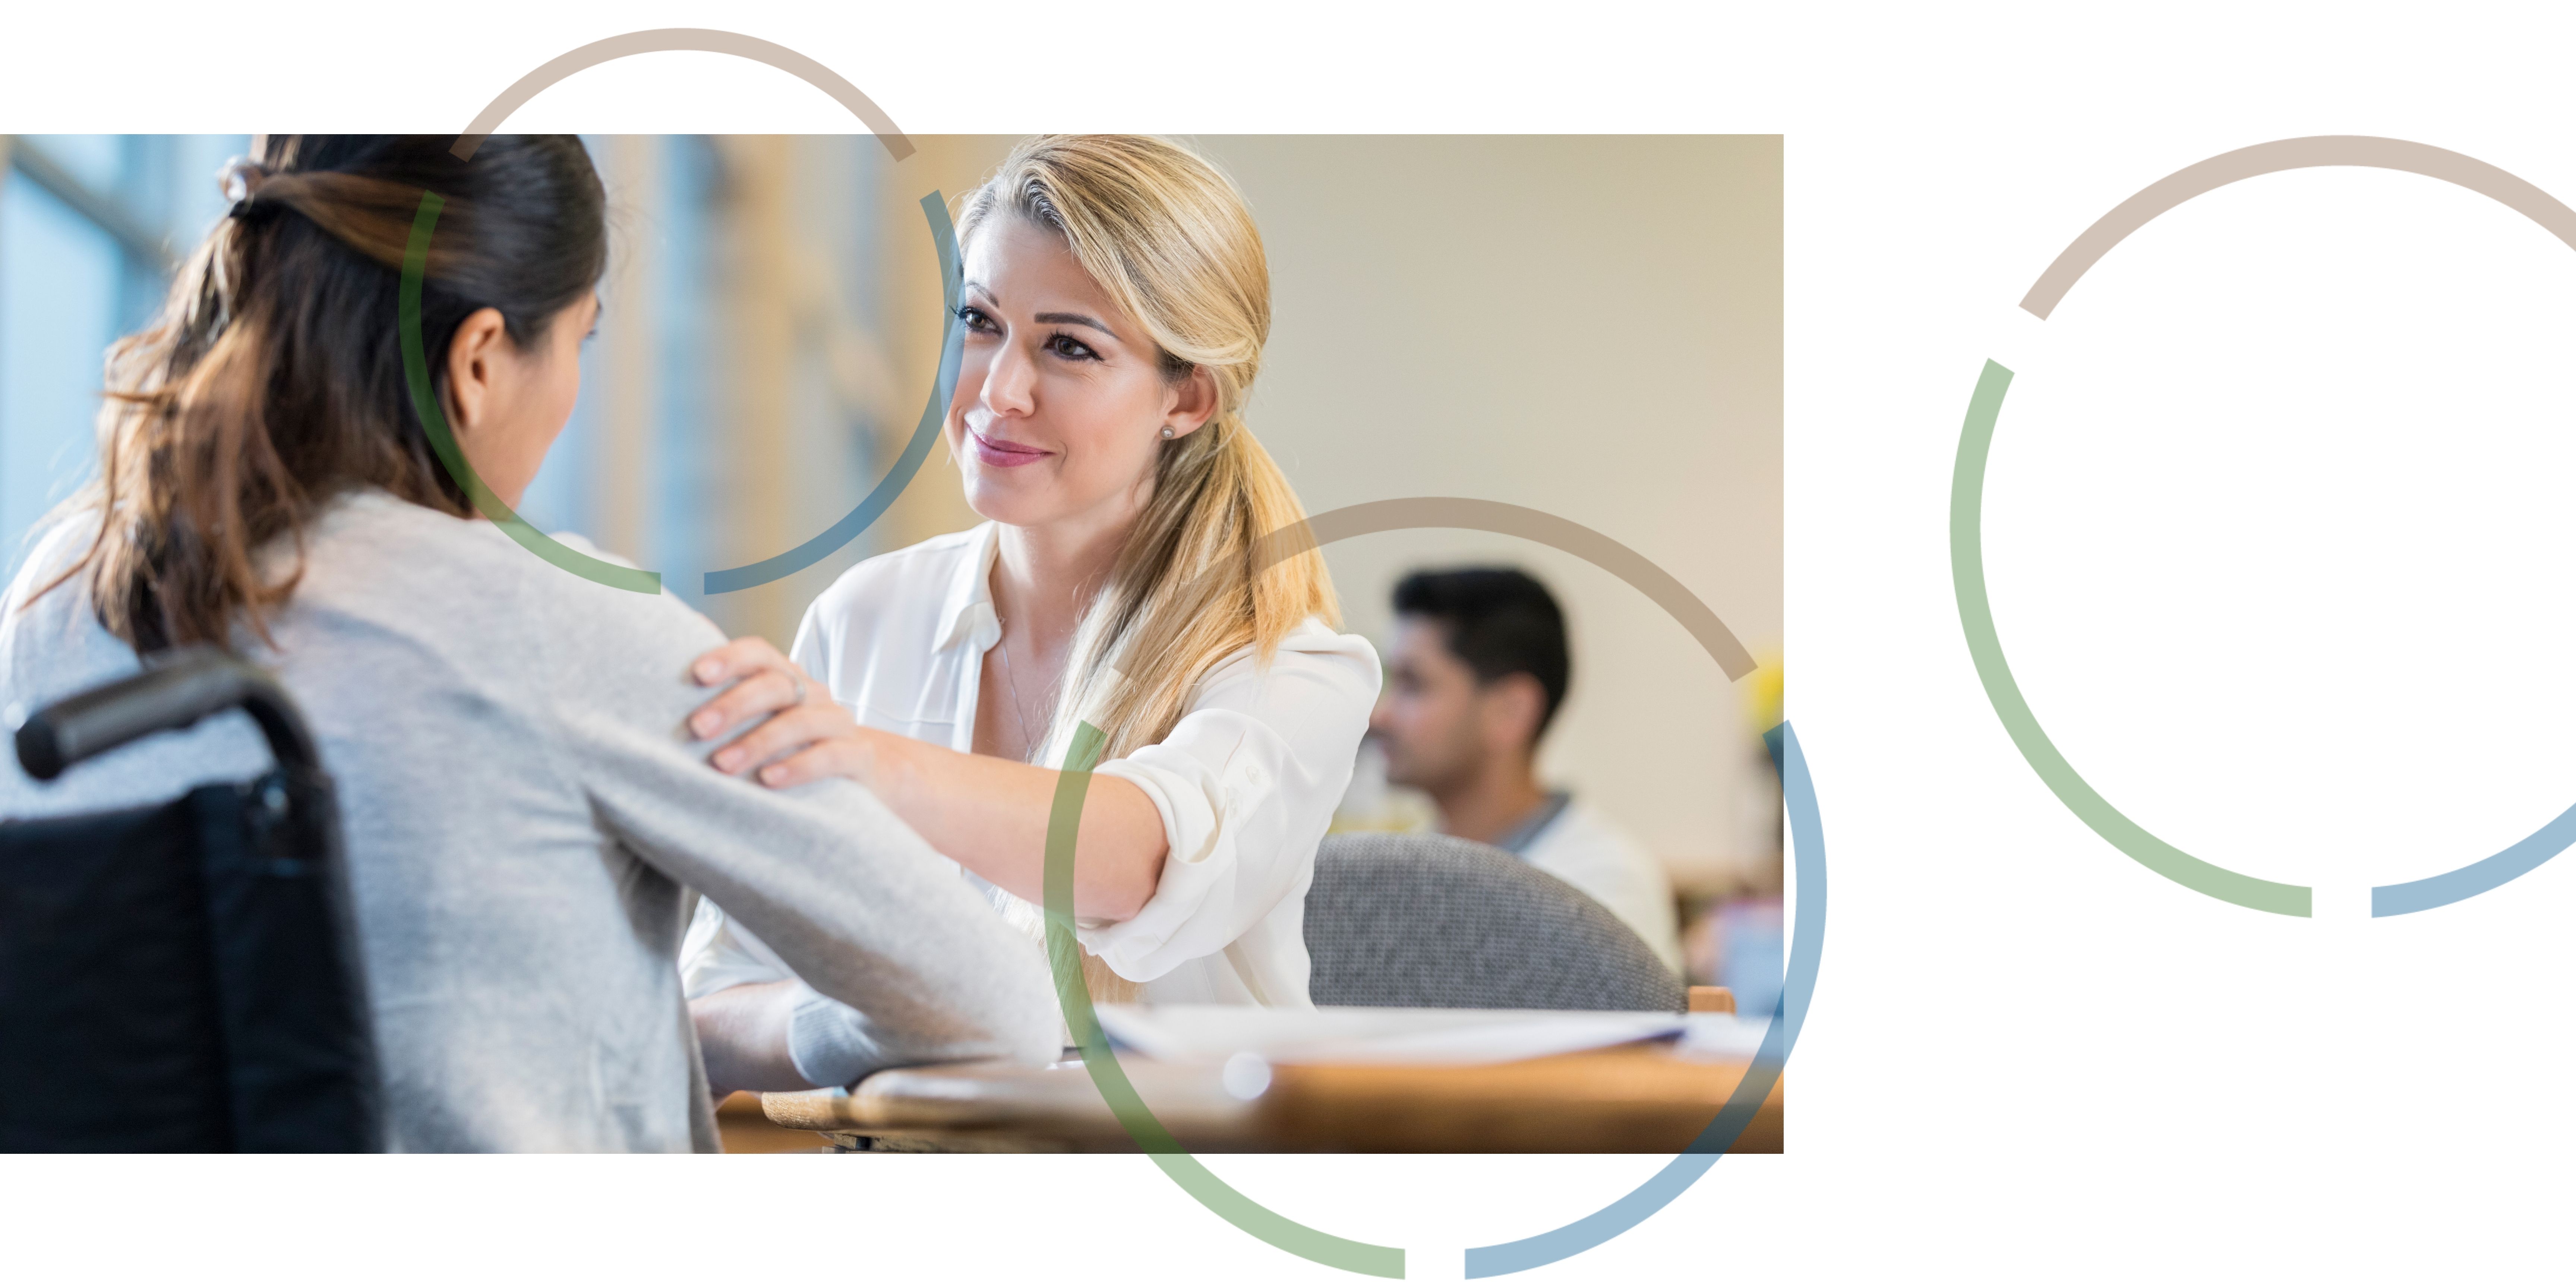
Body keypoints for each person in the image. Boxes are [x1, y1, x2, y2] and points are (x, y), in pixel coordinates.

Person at [0, 135, 1058, 1151]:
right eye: (580, 338)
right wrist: (765, 1025)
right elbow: (996, 1008)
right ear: (477, 361)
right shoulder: (556, 624)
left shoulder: (55, 596)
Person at [675, 136, 1376, 1063]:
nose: (999, 391)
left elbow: (1138, 858)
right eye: (979, 320)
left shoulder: (1287, 661)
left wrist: (865, 766)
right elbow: (712, 997)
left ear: (1189, 397)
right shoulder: (865, 616)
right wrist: (847, 1025)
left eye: (1069, 347)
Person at [1368, 567, 1682, 973]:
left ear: (1510, 711)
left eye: (1413, 685)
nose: (1381, 716)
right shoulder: (1401, 869)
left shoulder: (1600, 887)